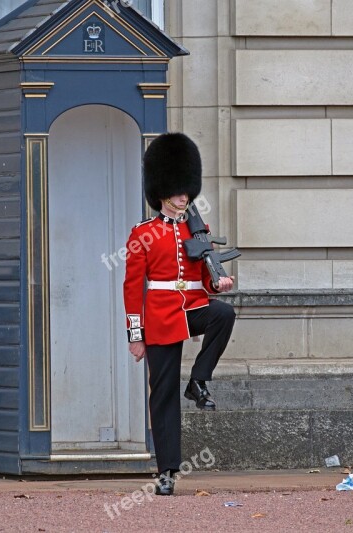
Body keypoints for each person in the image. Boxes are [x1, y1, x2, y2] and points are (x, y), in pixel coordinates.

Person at [123, 133, 236, 496]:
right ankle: (167, 471)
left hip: (194, 308)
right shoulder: (143, 233)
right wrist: (135, 335)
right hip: (158, 316)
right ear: (162, 194)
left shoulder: (196, 229)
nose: (183, 197)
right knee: (163, 395)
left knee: (224, 314)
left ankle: (199, 380)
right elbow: (131, 288)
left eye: (185, 191)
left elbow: (204, 275)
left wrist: (219, 283)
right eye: (176, 192)